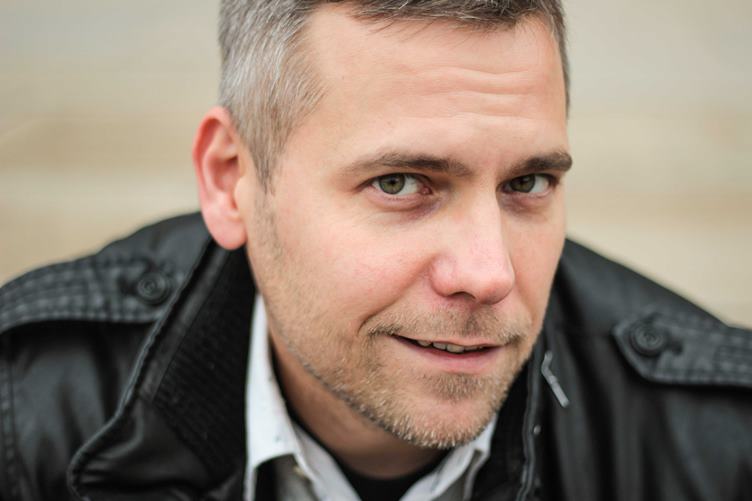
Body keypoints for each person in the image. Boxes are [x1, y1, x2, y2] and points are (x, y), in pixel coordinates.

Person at [0, 1, 749, 500]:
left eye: (526, 183)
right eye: (400, 183)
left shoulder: (717, 448)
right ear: (232, 180)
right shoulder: (27, 410)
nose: (488, 273)